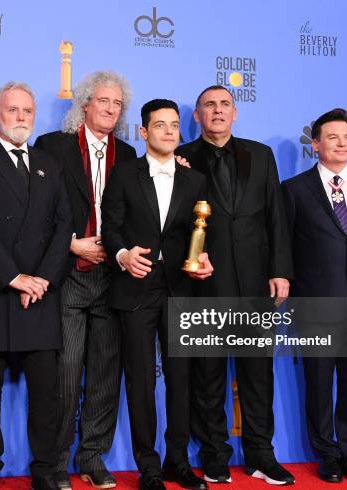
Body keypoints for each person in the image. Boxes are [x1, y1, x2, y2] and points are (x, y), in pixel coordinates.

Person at [176, 85, 295, 485]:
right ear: (197, 115)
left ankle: (262, 454)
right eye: (209, 105)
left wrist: (280, 270)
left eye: (225, 104)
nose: (217, 111)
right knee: (207, 375)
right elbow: (176, 224)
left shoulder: (261, 155)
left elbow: (276, 217)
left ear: (235, 112)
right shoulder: (182, 159)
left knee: (258, 375)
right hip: (205, 283)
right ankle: (214, 454)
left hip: (254, 283)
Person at [0, 81, 72, 490]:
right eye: (12, 110)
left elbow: (63, 226)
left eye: (27, 111)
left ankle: (44, 469)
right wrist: (14, 277)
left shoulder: (48, 163)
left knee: (46, 394)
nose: (21, 118)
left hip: (40, 294)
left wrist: (41, 279)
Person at [101, 99, 213, 490]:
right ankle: (147, 465)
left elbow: (197, 234)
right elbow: (110, 227)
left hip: (180, 291)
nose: (168, 131)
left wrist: (204, 259)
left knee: (181, 378)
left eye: (174, 125)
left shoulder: (195, 180)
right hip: (134, 289)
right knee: (140, 381)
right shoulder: (124, 174)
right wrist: (121, 254)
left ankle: (177, 462)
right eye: (159, 125)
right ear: (144, 132)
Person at [34, 71, 136, 490]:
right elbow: (37, 210)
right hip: (69, 275)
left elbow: (139, 211)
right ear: (84, 105)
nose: (111, 109)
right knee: (65, 372)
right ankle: (55, 462)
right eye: (103, 101)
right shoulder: (52, 147)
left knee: (106, 373)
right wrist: (72, 244)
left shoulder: (130, 155)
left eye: (117, 104)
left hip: (113, 279)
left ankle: (92, 456)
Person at [282, 108, 347, 484]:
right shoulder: (294, 190)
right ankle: (325, 453)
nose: (341, 144)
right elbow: (288, 246)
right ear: (315, 145)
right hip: (315, 302)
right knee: (319, 381)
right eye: (332, 137)